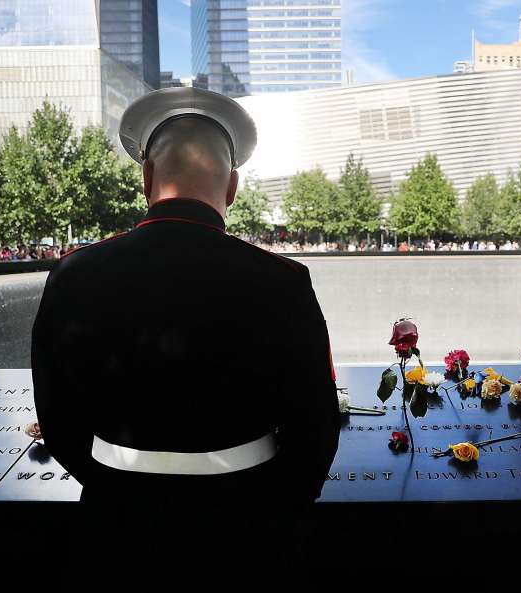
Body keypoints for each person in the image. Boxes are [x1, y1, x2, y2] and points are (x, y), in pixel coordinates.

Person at [31, 87, 340, 588]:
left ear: (146, 177)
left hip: (116, 533)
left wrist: (114, 486)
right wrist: (270, 513)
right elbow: (316, 430)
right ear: (233, 186)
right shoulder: (283, 280)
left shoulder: (75, 273)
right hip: (248, 535)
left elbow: (57, 416)